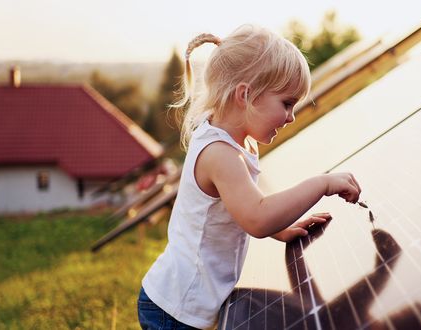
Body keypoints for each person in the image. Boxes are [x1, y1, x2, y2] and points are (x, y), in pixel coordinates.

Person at [137, 24, 362, 329]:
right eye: (286, 103)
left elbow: (240, 207)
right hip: (174, 310)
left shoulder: (236, 142)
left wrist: (281, 229)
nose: (291, 116)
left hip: (182, 303)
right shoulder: (220, 154)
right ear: (246, 95)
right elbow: (256, 218)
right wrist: (321, 183)